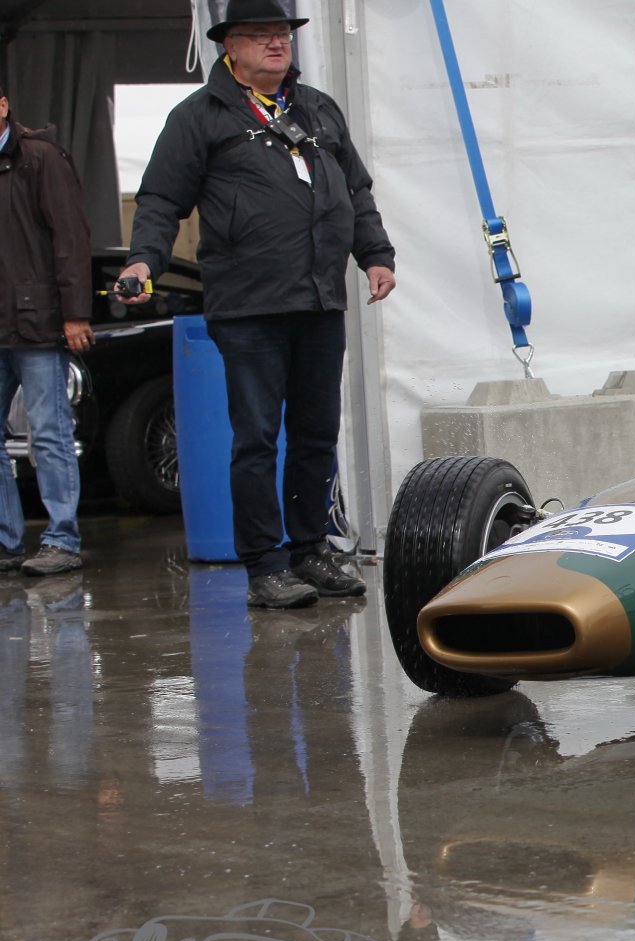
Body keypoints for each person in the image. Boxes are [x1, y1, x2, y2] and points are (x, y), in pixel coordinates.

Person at [118, 0, 396, 609]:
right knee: (257, 439)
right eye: (261, 35)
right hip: (248, 307)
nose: (277, 44)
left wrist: (375, 253)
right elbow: (161, 198)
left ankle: (311, 550)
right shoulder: (200, 116)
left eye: (283, 35)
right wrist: (144, 262)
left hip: (319, 300)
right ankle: (265, 564)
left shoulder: (317, 108)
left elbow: (356, 189)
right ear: (230, 47)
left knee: (316, 434)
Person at [0, 84, 93, 577]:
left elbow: (71, 237)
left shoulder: (40, 158)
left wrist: (75, 314)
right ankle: (6, 542)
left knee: (49, 434)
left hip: (36, 323)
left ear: (3, 106)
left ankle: (62, 540)